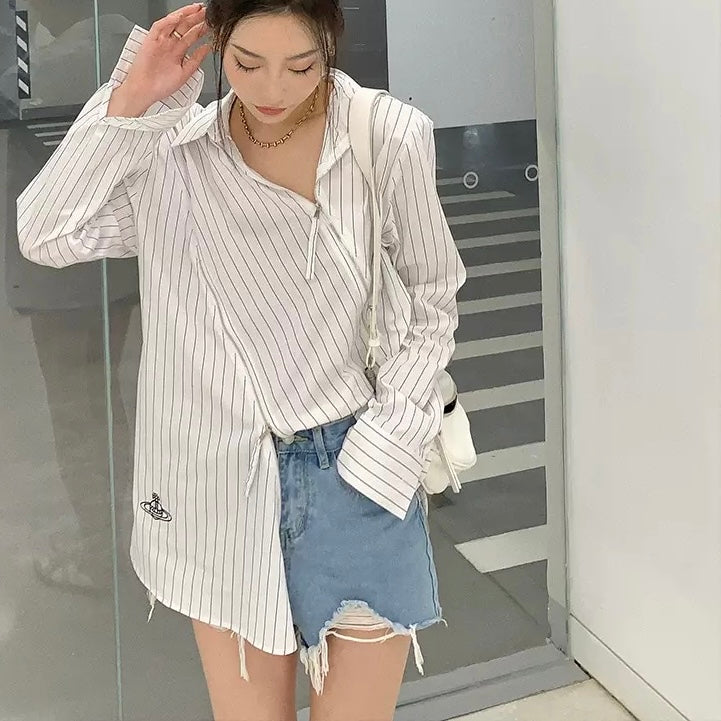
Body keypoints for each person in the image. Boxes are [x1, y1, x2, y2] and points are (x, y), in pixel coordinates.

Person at [16, 1, 467, 719]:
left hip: (355, 466)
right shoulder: (177, 157)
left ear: (330, 44)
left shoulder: (384, 134)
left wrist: (391, 436)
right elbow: (45, 233)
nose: (273, 89)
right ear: (218, 42)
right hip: (216, 480)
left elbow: (431, 294)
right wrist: (133, 98)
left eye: (301, 65)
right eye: (247, 64)